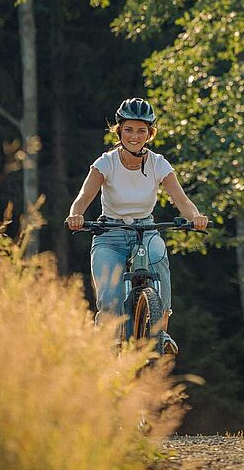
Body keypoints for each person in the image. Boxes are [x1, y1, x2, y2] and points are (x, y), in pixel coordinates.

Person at [65, 97, 208, 354]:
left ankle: (160, 332)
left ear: (150, 134)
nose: (134, 136)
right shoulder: (105, 163)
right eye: (129, 129)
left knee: (158, 260)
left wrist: (195, 217)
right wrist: (76, 215)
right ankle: (107, 350)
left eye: (141, 130)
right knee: (109, 300)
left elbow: (181, 200)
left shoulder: (158, 163)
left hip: (146, 230)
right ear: (119, 130)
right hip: (109, 233)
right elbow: (84, 197)